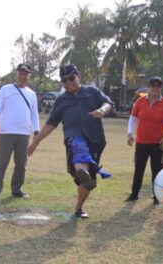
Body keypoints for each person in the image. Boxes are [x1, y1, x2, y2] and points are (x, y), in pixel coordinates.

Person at [27, 64, 113, 219]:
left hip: (96, 139)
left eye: (71, 78)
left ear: (78, 76)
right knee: (79, 149)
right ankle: (82, 170)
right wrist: (35, 142)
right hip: (74, 137)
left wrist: (102, 110)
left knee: (87, 182)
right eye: (64, 80)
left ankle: (79, 206)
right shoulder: (61, 100)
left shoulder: (92, 92)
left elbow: (107, 103)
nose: (68, 82)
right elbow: (51, 124)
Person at [0, 63, 39, 201]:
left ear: (29, 76)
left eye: (25, 74)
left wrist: (36, 130)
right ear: (16, 74)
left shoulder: (32, 94)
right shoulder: (6, 89)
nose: (23, 76)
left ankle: (17, 189)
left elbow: (34, 114)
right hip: (6, 132)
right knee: (2, 163)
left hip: (24, 133)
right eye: (20, 73)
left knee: (21, 164)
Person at [125, 76, 163, 205]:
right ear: (149, 88)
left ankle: (157, 197)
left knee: (157, 170)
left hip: (158, 143)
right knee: (139, 169)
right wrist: (130, 133)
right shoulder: (140, 101)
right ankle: (134, 194)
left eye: (158, 86)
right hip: (141, 141)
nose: (155, 89)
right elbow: (133, 118)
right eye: (153, 86)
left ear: (161, 88)